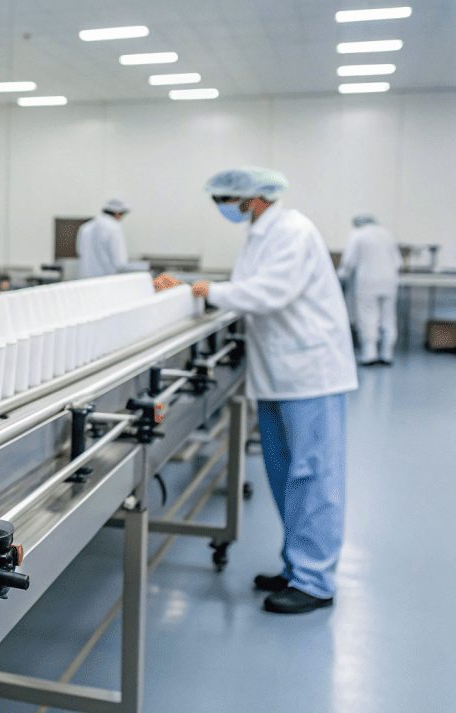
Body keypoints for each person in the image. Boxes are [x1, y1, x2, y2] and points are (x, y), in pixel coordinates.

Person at [154, 167, 357, 615]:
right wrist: (203, 290)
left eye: (225, 200)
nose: (222, 208)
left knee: (314, 478)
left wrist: (201, 289)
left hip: (311, 374)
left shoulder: (292, 230)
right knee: (286, 478)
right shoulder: (261, 232)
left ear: (253, 199)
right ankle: (296, 567)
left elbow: (268, 293)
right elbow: (249, 289)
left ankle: (315, 581)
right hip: (280, 374)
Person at [339, 214, 402, 365]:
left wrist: (341, 275)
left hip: (367, 282)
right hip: (389, 282)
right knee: (388, 317)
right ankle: (387, 354)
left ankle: (369, 355)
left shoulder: (357, 234)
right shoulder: (387, 234)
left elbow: (349, 261)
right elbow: (398, 261)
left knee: (368, 317)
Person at [76, 198, 141, 278]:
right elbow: (120, 262)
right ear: (118, 214)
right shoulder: (114, 228)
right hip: (107, 281)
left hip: (85, 281)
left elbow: (80, 252)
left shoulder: (85, 228)